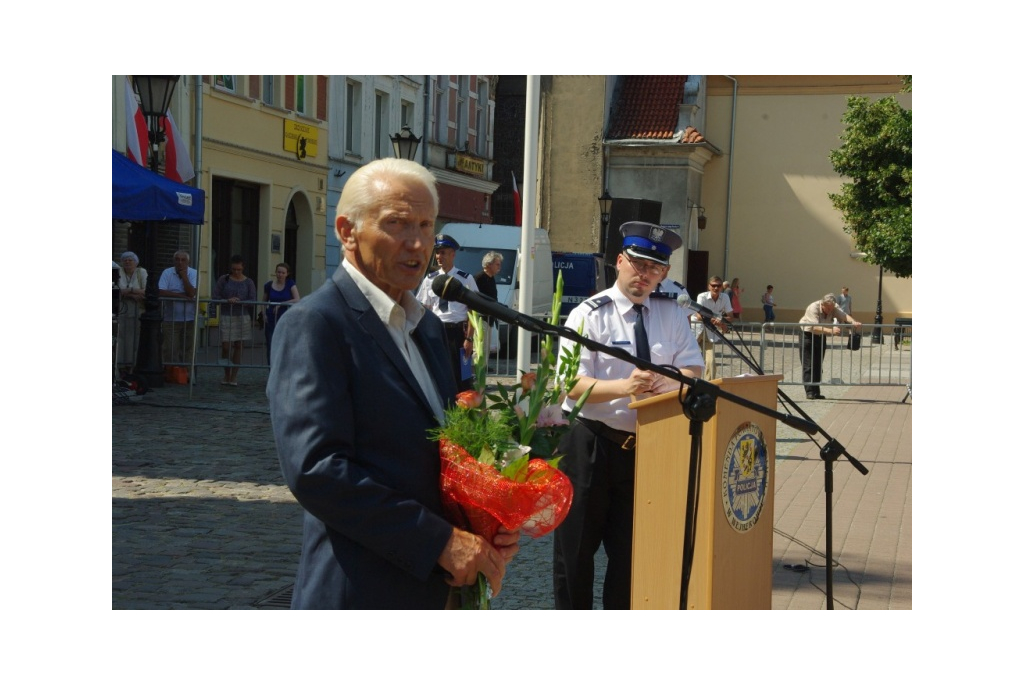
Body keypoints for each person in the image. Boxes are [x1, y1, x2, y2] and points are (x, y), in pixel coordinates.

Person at [266, 158, 519, 609]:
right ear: (347, 232)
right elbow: (317, 470)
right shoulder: (316, 324)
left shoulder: (423, 326)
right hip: (362, 591)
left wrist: (483, 519)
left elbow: (444, 454)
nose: (418, 243)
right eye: (397, 224)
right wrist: (439, 541)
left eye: (425, 224)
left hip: (437, 591)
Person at [554, 221, 704, 610]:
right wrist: (627, 388)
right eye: (637, 265)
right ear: (619, 262)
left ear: (665, 274)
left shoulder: (671, 314)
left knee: (631, 555)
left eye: (655, 269)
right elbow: (568, 383)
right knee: (576, 553)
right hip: (591, 443)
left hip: (647, 447)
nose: (644, 275)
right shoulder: (590, 315)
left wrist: (670, 384)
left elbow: (693, 370)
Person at [416, 234, 478, 392]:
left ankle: (463, 410)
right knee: (438, 374)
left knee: (462, 377)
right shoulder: (429, 280)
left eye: (443, 252)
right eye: (437, 252)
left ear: (453, 254)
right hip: (437, 331)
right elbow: (424, 309)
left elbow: (473, 311)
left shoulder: (465, 279)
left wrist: (469, 338)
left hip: (457, 333)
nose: (439, 256)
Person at [798, 292, 862, 400]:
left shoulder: (833, 308)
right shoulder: (813, 307)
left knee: (818, 364)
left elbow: (844, 316)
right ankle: (809, 391)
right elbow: (814, 326)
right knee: (808, 365)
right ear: (822, 304)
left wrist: (854, 322)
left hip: (821, 335)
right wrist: (830, 330)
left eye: (831, 309)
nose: (829, 311)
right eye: (827, 308)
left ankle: (816, 392)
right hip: (808, 335)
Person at [213, 255, 257, 386]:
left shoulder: (248, 282)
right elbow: (215, 296)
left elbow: (253, 299)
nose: (236, 272)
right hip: (227, 315)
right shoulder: (224, 279)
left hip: (242, 316)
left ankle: (234, 376)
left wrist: (240, 301)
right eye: (234, 269)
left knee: (239, 345)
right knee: (226, 346)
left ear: (243, 268)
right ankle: (226, 374)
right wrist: (227, 300)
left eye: (239, 269)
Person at [158, 250, 198, 369]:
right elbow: (161, 291)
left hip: (189, 318)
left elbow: (191, 293)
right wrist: (181, 296)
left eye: (183, 260)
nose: (180, 262)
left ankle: (186, 373)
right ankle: (170, 372)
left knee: (187, 348)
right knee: (170, 348)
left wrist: (184, 277)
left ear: (188, 262)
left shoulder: (194, 273)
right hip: (171, 318)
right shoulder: (167, 272)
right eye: (177, 259)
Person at [691, 275, 733, 380]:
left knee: (710, 361)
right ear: (708, 286)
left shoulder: (725, 297)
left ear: (722, 287)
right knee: (687, 359)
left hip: (709, 332)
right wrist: (714, 320)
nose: (716, 288)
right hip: (695, 330)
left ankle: (708, 387)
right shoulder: (702, 296)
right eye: (713, 285)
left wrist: (721, 321)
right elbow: (699, 315)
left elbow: (730, 316)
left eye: (718, 286)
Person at [262, 262, 300, 365]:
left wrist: (281, 304)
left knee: (285, 345)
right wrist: (263, 313)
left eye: (283, 273)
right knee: (270, 345)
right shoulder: (269, 285)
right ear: (275, 272)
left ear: (287, 274)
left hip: (286, 318)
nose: (280, 275)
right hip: (271, 318)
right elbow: (264, 301)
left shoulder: (290, 284)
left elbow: (297, 299)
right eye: (278, 272)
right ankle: (271, 371)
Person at [116, 251, 147, 376]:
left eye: (130, 260)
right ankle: (121, 365)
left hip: (137, 311)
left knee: (135, 338)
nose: (127, 262)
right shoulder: (118, 272)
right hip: (122, 311)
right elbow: (118, 290)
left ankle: (133, 366)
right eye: (125, 260)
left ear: (136, 262)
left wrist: (129, 291)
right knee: (121, 338)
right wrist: (134, 292)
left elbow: (146, 290)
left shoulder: (142, 272)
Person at [475, 250, 503, 357]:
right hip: (480, 319)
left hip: (489, 319)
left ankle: (484, 369)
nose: (499, 267)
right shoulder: (478, 278)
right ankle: (476, 371)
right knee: (479, 349)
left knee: (486, 349)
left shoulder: (491, 279)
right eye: (497, 264)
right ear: (488, 264)